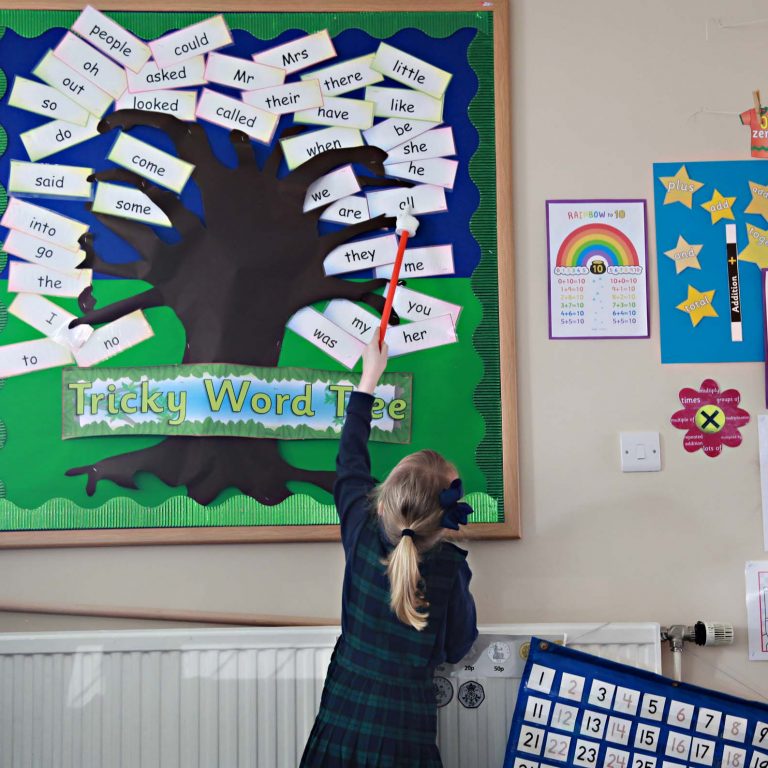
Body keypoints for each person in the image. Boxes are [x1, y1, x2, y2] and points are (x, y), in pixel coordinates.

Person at [300, 337, 478, 768]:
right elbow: (458, 645)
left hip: (342, 718)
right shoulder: (450, 569)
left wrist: (368, 380)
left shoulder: (361, 532)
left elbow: (349, 461)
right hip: (404, 736)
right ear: (444, 518)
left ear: (383, 501)